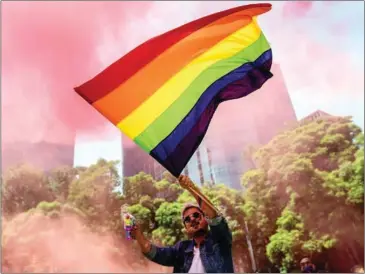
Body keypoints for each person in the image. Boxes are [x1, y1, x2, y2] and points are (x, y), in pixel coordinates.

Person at [130, 175, 234, 273]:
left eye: (196, 215)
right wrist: (139, 235)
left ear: (205, 219)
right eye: (187, 219)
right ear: (186, 228)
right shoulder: (181, 249)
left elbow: (211, 212)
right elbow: (154, 253)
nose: (192, 219)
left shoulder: (220, 240)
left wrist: (191, 187)